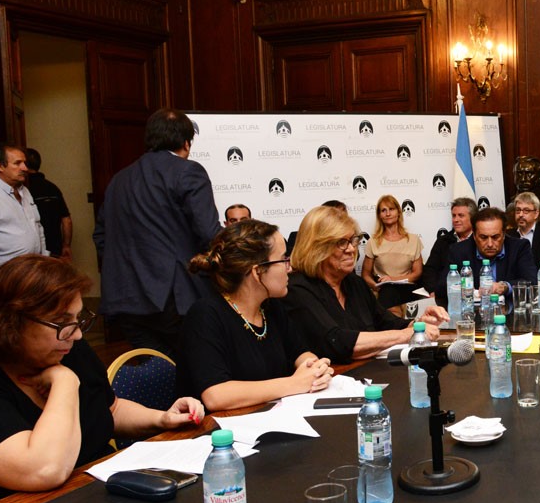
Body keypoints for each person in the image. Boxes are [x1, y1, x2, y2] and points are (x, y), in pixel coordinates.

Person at [0, 256, 205, 503]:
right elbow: (46, 470)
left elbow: (111, 408)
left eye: (77, 319)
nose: (77, 334)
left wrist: (160, 419)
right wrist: (65, 382)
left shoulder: (66, 349)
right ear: (9, 324)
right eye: (61, 323)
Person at [93, 108, 221, 357]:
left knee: (156, 373)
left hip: (127, 298)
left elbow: (101, 237)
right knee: (194, 370)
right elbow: (209, 233)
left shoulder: (119, 179)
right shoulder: (188, 171)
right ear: (187, 143)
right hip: (174, 296)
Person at [178, 220, 333, 411]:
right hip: (218, 434)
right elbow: (216, 395)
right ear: (257, 271)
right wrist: (295, 383)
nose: (290, 268)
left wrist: (315, 369)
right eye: (283, 258)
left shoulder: (271, 307)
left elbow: (300, 352)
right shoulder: (205, 315)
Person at [285, 206, 448, 362]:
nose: (351, 249)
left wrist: (419, 324)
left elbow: (386, 322)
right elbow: (338, 342)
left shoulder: (353, 283)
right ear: (316, 248)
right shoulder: (297, 289)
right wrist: (408, 334)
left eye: (352, 240)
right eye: (341, 242)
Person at [437, 208, 535, 306]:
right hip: (471, 313)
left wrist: (505, 286)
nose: (490, 244)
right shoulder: (458, 251)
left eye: (495, 237)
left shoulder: (519, 248)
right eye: (483, 237)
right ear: (474, 236)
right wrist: (466, 289)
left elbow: (531, 281)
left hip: (509, 311)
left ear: (504, 234)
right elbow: (442, 286)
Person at [362, 194, 425, 310]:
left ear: (399, 212)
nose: (388, 214)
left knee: (390, 295)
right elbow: (365, 274)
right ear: (379, 216)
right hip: (383, 289)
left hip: (407, 288)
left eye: (391, 209)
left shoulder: (413, 240)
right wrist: (375, 286)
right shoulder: (373, 242)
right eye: (383, 210)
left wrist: (393, 279)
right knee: (388, 292)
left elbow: (417, 273)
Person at [24, 148, 72, 260]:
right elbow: (67, 220)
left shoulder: (23, 190)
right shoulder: (52, 188)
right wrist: (66, 245)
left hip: (32, 252)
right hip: (55, 248)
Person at [422, 197, 476, 296]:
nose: (456, 220)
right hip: (444, 294)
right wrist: (433, 290)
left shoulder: (480, 240)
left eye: (461, 216)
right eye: (454, 216)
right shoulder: (443, 241)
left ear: (472, 218)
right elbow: (430, 270)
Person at [509, 192, 540, 265]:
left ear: (536, 214)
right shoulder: (508, 235)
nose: (521, 215)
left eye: (526, 211)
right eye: (518, 210)